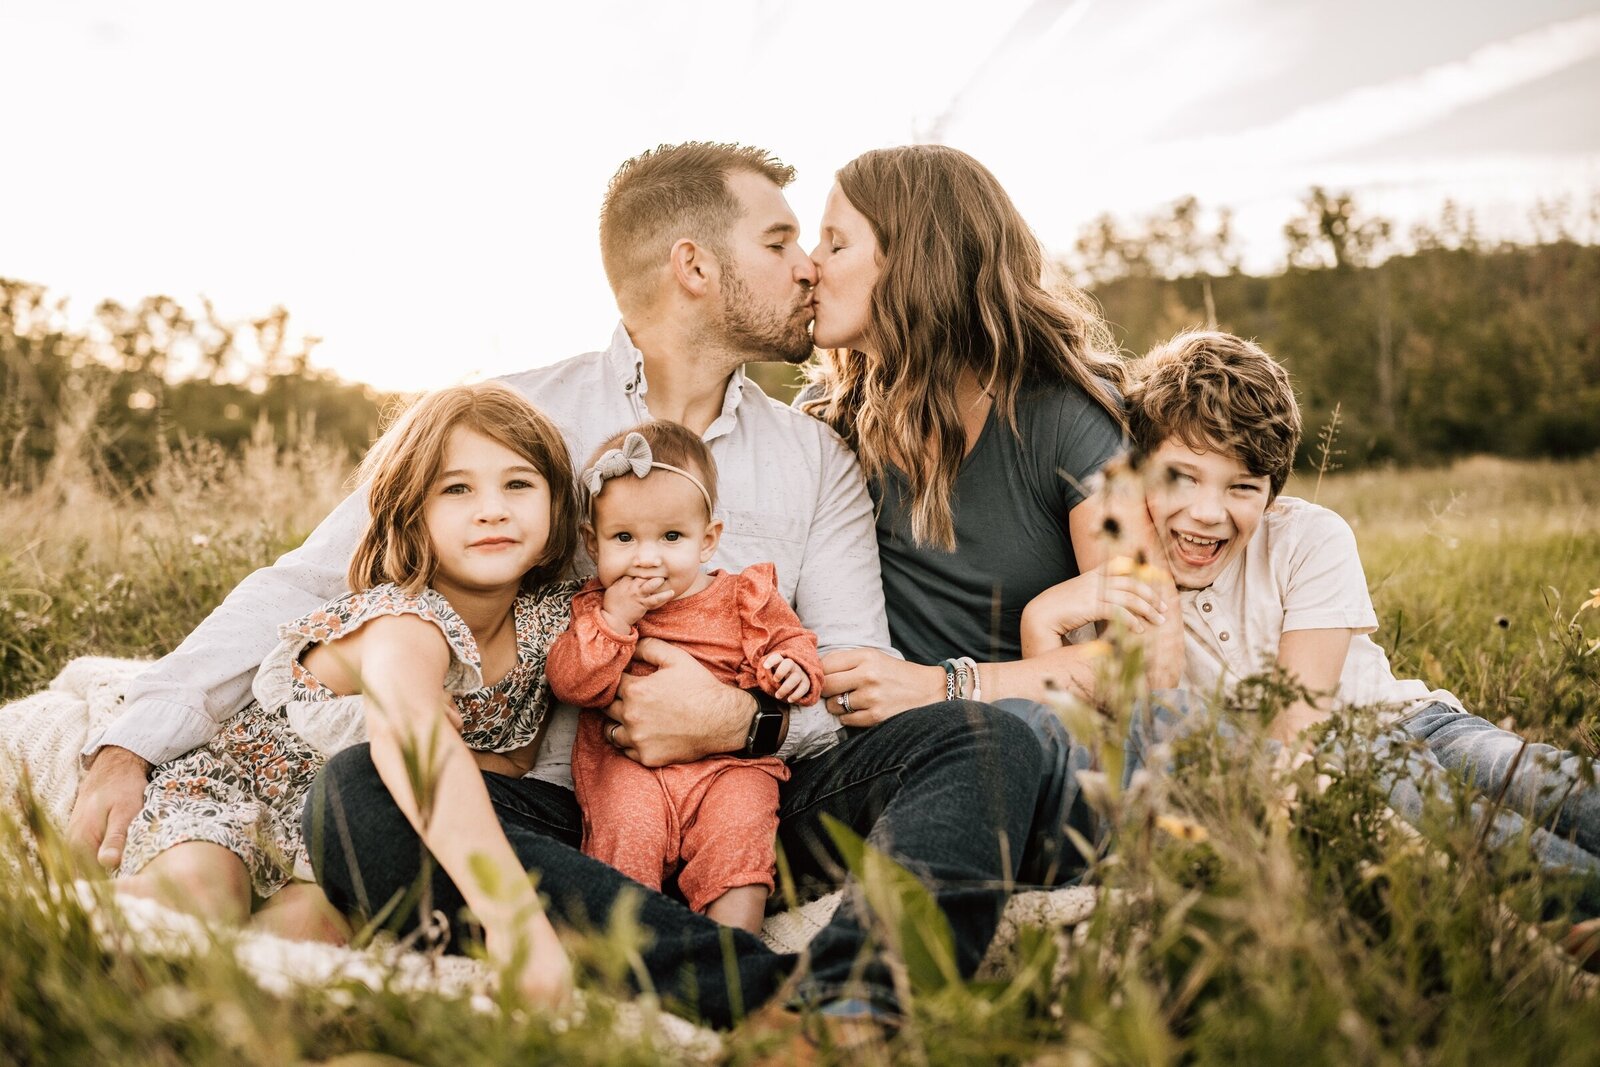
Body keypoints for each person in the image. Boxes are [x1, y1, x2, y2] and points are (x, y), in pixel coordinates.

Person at [68, 141, 1046, 1030]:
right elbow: (312, 582)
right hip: (559, 821)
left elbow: (844, 680)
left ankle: (855, 1005)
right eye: (782, 238)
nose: (808, 264)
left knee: (990, 741)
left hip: (751, 795)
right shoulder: (514, 417)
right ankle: (767, 999)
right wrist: (129, 738)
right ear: (694, 267)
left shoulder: (812, 456)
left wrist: (738, 724)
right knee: (359, 794)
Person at [1025, 330, 1600, 918]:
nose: (1207, 513)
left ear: (1272, 494)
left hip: (1408, 726)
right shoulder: (1110, 586)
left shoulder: (1306, 537)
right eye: (1183, 478)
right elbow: (1104, 747)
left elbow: (1300, 728)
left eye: (1242, 487)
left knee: (1540, 781)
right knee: (1468, 822)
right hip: (1330, 779)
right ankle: (1572, 911)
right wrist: (1040, 618)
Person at [120, 382, 581, 1006]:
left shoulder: (548, 627)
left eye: (519, 484)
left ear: (558, 506)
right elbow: (415, 743)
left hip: (340, 835)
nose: (492, 509)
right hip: (244, 794)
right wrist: (511, 919)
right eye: (457, 489)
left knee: (296, 961)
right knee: (187, 905)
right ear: (410, 513)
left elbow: (510, 764)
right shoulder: (400, 619)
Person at [799, 143, 1181, 881]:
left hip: (1029, 745)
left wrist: (946, 685)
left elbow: (1149, 660)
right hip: (888, 762)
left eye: (836, 242)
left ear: (915, 261)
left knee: (1030, 736)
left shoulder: (1066, 422)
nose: (811, 264)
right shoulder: (825, 427)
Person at [546, 421, 822, 934]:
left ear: (708, 540)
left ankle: (735, 949)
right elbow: (571, 683)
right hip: (629, 766)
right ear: (593, 541)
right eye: (624, 538)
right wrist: (613, 621)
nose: (647, 558)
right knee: (625, 834)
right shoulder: (595, 607)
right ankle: (627, 950)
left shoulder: (745, 596)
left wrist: (792, 668)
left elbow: (794, 641)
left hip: (729, 767)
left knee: (741, 830)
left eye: (671, 537)